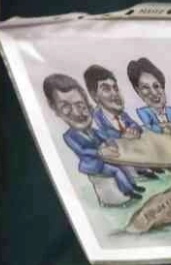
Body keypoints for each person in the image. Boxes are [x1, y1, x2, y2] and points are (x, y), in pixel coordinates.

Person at [43, 72, 141, 202]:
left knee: (122, 165)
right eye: (65, 107)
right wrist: (99, 152)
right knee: (116, 170)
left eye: (80, 106)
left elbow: (104, 136)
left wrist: (118, 138)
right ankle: (128, 191)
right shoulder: (69, 136)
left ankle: (133, 186)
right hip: (93, 165)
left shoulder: (93, 130)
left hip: (105, 159)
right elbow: (82, 151)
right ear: (55, 110)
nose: (77, 113)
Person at [84, 64, 157, 182]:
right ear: (94, 96)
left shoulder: (122, 115)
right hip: (116, 158)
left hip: (133, 154)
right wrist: (122, 136)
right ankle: (134, 175)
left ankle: (144, 169)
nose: (114, 93)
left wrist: (134, 130)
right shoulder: (95, 118)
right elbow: (101, 134)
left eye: (115, 88)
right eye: (106, 89)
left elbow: (135, 125)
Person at [129, 57, 171, 134]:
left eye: (156, 86)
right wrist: (165, 128)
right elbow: (149, 127)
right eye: (145, 87)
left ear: (163, 88)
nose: (154, 93)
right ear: (138, 92)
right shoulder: (143, 112)